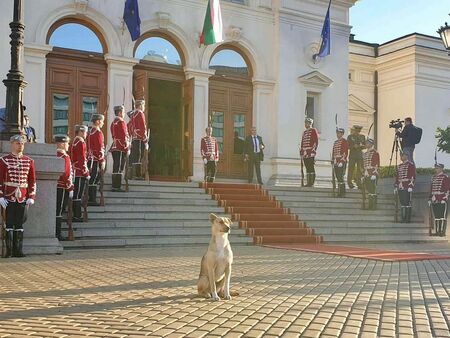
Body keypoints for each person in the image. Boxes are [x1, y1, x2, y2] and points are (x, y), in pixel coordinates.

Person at [0, 134, 36, 257]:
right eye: (18, 143)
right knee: (9, 223)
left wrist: (31, 196)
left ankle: (18, 250)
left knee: (20, 223)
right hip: (9, 196)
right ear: (12, 144)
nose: (20, 146)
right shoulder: (4, 160)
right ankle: (9, 251)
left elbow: (32, 181)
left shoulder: (29, 161)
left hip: (22, 196)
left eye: (22, 144)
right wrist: (0, 196)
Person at [54, 135, 74, 240]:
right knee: (59, 211)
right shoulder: (64, 157)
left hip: (55, 186)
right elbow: (66, 174)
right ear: (61, 144)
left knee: (55, 210)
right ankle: (57, 233)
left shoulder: (53, 155)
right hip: (62, 186)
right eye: (67, 143)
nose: (68, 145)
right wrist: (70, 188)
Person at [70, 125, 89, 222]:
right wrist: (86, 172)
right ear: (81, 132)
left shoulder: (75, 141)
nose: (86, 134)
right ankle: (77, 215)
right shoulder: (81, 142)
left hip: (75, 170)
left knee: (76, 194)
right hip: (79, 171)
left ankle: (76, 214)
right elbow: (82, 159)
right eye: (85, 132)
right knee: (78, 195)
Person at [87, 114, 105, 206]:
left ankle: (91, 197)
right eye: (102, 121)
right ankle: (92, 199)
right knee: (94, 179)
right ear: (97, 121)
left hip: (90, 159)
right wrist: (102, 160)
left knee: (92, 178)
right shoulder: (98, 133)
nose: (103, 123)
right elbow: (100, 148)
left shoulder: (90, 132)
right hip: (96, 159)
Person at [110, 105, 130, 191]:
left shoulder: (113, 122)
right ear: (119, 112)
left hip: (115, 146)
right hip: (121, 146)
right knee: (119, 167)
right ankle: (116, 186)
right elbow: (124, 136)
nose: (124, 113)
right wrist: (127, 147)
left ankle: (115, 185)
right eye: (123, 112)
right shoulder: (121, 122)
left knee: (116, 166)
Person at [429, 163, 450, 237]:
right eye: (435, 168)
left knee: (442, 216)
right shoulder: (433, 177)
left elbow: (448, 189)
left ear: (441, 168)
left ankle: (442, 232)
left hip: (442, 199)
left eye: (437, 168)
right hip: (435, 199)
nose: (436, 169)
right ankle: (437, 231)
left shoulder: (445, 177)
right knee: (437, 216)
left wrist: (445, 198)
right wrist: (430, 198)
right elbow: (431, 189)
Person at [394, 152, 416, 223]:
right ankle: (403, 218)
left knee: (407, 203)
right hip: (401, 186)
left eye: (403, 156)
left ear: (407, 156)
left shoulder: (410, 165)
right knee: (402, 203)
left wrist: (410, 186)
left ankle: (407, 219)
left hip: (407, 185)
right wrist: (396, 185)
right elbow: (397, 177)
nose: (401, 157)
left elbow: (413, 176)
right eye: (401, 156)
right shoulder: (399, 166)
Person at [129, 99, 148, 179]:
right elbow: (143, 127)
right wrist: (145, 139)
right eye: (143, 105)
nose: (144, 107)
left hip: (134, 137)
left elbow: (130, 127)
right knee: (138, 156)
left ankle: (133, 174)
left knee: (135, 155)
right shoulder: (140, 113)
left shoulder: (133, 114)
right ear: (140, 106)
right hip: (139, 137)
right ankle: (137, 174)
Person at [300, 118, 319, 187]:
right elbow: (302, 142)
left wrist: (312, 150)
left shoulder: (313, 130)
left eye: (307, 123)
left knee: (311, 167)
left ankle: (311, 182)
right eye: (305, 123)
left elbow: (315, 142)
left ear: (310, 123)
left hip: (310, 152)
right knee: (307, 167)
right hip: (305, 153)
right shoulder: (304, 132)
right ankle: (308, 182)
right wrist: (302, 151)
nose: (306, 124)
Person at [362, 138, 380, 210]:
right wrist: (364, 173)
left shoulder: (375, 152)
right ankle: (370, 205)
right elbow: (364, 164)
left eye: (368, 143)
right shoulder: (365, 153)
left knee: (373, 189)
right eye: (366, 143)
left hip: (372, 173)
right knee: (369, 189)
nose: (366, 144)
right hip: (367, 173)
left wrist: (374, 174)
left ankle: (373, 206)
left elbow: (377, 164)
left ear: (371, 144)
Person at [347, 125, 365, 189]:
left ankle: (359, 183)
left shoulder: (362, 136)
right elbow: (348, 146)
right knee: (351, 169)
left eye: (358, 131)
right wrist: (353, 147)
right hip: (352, 155)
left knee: (359, 170)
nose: (357, 132)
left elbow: (364, 145)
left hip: (360, 155)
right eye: (356, 130)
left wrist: (361, 146)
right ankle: (350, 183)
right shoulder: (350, 137)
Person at [332, 128, 349, 197]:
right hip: (336, 161)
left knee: (340, 177)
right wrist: (333, 159)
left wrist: (342, 161)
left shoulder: (344, 141)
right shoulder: (336, 142)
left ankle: (342, 193)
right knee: (337, 177)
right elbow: (334, 152)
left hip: (341, 161)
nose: (338, 134)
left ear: (342, 134)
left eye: (339, 133)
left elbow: (345, 152)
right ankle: (339, 192)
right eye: (337, 133)